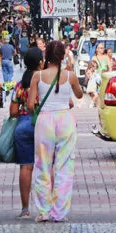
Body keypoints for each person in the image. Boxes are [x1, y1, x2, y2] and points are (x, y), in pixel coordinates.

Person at [27, 41, 84, 222]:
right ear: (62, 56)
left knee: (42, 165)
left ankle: (44, 211)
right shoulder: (70, 76)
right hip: (65, 121)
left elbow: (30, 104)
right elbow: (80, 94)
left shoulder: (37, 76)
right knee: (64, 166)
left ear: (46, 56)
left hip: (44, 121)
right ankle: (59, 213)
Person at [10, 48, 44, 218]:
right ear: (40, 63)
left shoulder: (20, 84)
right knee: (46, 166)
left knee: (26, 167)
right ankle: (46, 208)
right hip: (43, 126)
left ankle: (25, 209)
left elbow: (13, 111)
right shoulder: (44, 82)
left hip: (23, 126)